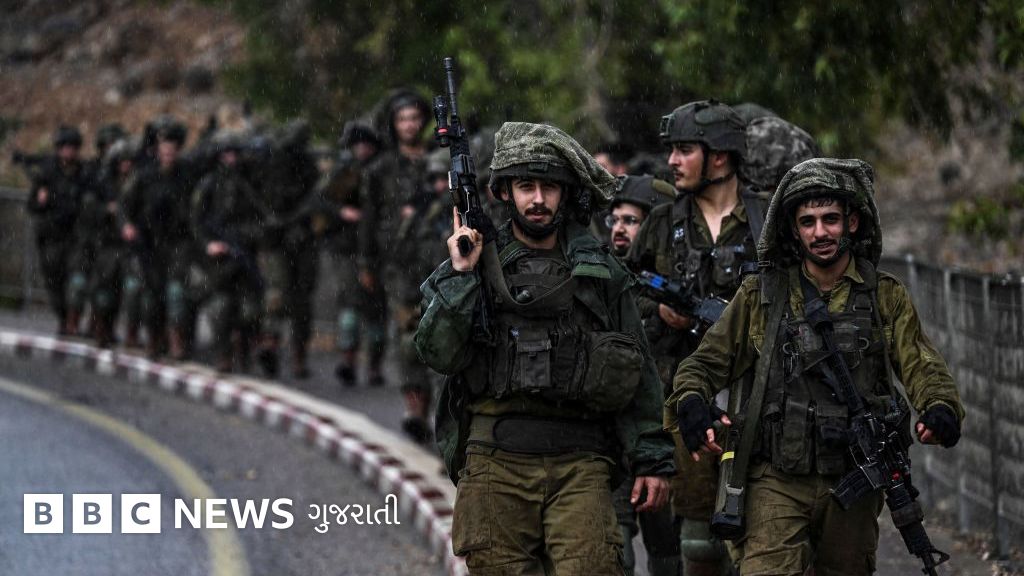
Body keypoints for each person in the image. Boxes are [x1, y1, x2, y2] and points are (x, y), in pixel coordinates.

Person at [668, 158, 964, 576]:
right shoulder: (761, 295)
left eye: (831, 219)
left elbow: (922, 365)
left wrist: (940, 407)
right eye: (808, 222)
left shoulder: (884, 296)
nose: (820, 232)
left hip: (854, 476)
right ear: (794, 229)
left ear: (852, 223)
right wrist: (692, 401)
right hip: (775, 477)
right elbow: (704, 363)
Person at [415, 122, 675, 574]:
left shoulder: (599, 272)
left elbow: (637, 367)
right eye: (526, 187)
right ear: (504, 193)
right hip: (495, 461)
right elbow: (437, 353)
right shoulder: (472, 264)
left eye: (549, 187)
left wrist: (651, 456)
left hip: (581, 463)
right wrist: (461, 275)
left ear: (565, 193)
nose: (538, 199)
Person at [626, 99, 767, 576]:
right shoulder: (662, 223)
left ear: (719, 157)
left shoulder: (767, 222)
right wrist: (660, 313)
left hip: (757, 403)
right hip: (685, 405)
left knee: (767, 540)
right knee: (699, 543)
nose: (672, 161)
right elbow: (625, 297)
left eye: (684, 150)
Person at [606, 174, 680, 576]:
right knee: (615, 551)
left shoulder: (683, 282)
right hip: (613, 435)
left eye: (631, 221)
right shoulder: (603, 277)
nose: (619, 228)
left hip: (669, 436)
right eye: (615, 219)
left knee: (673, 551)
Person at [358, 89, 431, 387]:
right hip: (399, 261)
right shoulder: (381, 169)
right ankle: (415, 398)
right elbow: (369, 219)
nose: (409, 125)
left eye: (414, 118)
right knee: (408, 332)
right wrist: (366, 262)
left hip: (438, 258)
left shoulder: (438, 162)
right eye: (403, 119)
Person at [120, 116, 196, 359]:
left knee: (175, 292)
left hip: (177, 242)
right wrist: (127, 225)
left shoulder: (187, 176)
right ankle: (154, 338)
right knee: (152, 294)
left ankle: (176, 341)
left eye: (172, 147)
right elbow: (125, 206)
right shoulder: (144, 176)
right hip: (150, 243)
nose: (168, 152)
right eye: (164, 146)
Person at [391, 149, 452, 443]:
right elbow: (401, 256)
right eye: (434, 179)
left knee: (443, 366)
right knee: (409, 349)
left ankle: (446, 434)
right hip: (417, 292)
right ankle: (417, 414)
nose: (439, 186)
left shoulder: (462, 214)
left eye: (444, 179)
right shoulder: (422, 214)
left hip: (449, 299)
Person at [320, 121, 386, 386]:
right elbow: (321, 200)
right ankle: (348, 361)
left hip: (378, 249)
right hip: (347, 247)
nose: (362, 150)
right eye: (357, 145)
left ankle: (374, 367)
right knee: (350, 306)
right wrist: (341, 212)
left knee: (377, 309)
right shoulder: (344, 172)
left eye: (366, 145)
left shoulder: (383, 170)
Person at [191, 131, 263, 372]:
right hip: (219, 257)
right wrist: (209, 244)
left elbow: (262, 217)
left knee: (250, 310)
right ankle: (224, 354)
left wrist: (250, 237)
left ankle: (245, 351)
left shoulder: (248, 185)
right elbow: (196, 222)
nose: (231, 159)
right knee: (222, 307)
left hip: (245, 253)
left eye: (234, 154)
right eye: (226, 154)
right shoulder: (209, 185)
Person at [255, 119, 320, 378]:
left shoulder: (307, 167)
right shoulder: (271, 165)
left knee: (298, 300)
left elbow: (317, 200)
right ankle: (272, 345)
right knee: (277, 296)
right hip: (277, 240)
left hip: (301, 239)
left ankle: (296, 355)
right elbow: (263, 201)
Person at [26, 125, 90, 336]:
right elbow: (31, 206)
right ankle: (63, 319)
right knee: (55, 283)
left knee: (77, 282)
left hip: (75, 237)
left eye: (72, 147)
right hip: (51, 238)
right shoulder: (48, 173)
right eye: (65, 147)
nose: (68, 151)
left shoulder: (83, 173)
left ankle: (73, 320)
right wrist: (41, 200)